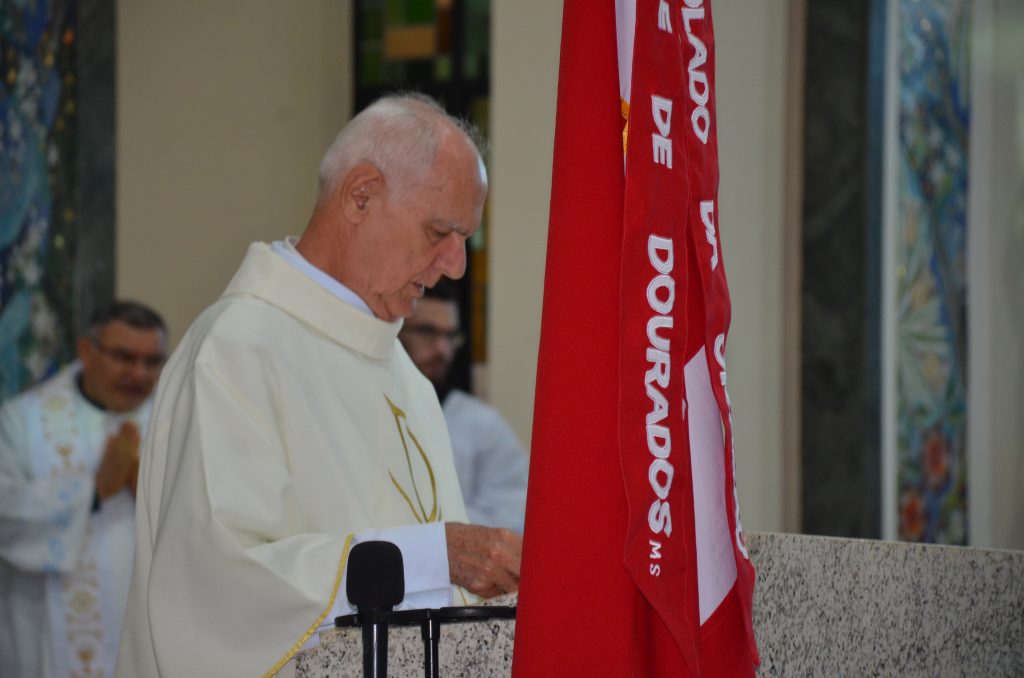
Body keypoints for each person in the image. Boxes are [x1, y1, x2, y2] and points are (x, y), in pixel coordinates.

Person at [116, 94, 522, 677]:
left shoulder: (406, 378)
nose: (455, 266)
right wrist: (433, 556)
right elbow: (218, 584)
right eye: (440, 231)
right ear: (360, 195)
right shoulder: (238, 348)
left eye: (465, 240)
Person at [0, 301, 168, 678]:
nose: (139, 374)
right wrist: (92, 490)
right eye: (124, 357)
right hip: (46, 634)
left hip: (148, 636)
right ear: (86, 351)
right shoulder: (23, 421)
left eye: (152, 361)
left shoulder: (175, 418)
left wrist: (154, 487)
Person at [398, 280, 528, 533]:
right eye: (427, 332)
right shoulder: (373, 408)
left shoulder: (481, 424)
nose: (442, 349)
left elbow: (513, 513)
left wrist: (430, 533)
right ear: (398, 331)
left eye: (450, 336)